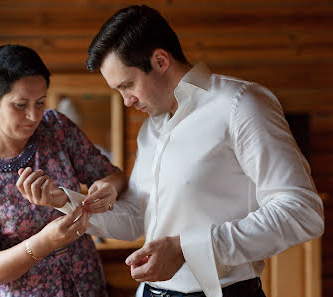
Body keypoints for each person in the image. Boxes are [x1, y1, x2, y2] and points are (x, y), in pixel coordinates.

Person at [17, 5, 325, 297]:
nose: (126, 101)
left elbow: (301, 211)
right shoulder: (152, 128)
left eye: (128, 85)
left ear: (160, 61)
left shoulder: (240, 105)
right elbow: (137, 217)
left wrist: (187, 248)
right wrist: (66, 201)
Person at [0, 44, 126, 297]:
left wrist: (108, 188)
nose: (34, 116)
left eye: (40, 102)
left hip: (86, 283)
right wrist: (44, 243)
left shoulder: (57, 127)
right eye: (20, 105)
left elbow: (114, 176)